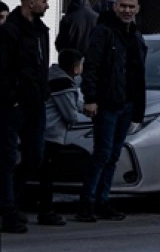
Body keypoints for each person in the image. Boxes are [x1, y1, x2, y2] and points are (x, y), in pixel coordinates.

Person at [78, 0, 147, 223]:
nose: (127, 10)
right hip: (107, 104)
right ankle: (86, 203)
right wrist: (90, 98)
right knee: (102, 154)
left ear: (137, 9)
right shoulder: (103, 32)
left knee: (113, 155)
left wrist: (139, 108)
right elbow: (92, 67)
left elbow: (139, 75)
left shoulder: (136, 37)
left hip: (127, 104)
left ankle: (102, 200)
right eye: (123, 6)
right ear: (115, 7)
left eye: (131, 6)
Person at [0, 0, 54, 233]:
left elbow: (42, 66)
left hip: (35, 104)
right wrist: (13, 97)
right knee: (8, 157)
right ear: (30, 2)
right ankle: (8, 210)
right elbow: (4, 69)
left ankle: (12, 202)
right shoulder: (10, 31)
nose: (46, 5)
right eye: (43, 1)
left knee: (35, 156)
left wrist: (42, 93)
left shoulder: (42, 30)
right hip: (14, 105)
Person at [40, 48, 89, 226]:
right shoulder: (64, 84)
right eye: (81, 64)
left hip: (45, 131)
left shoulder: (55, 77)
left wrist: (83, 106)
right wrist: (85, 115)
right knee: (48, 175)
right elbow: (70, 113)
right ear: (75, 67)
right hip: (52, 133)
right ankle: (46, 211)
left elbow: (76, 103)